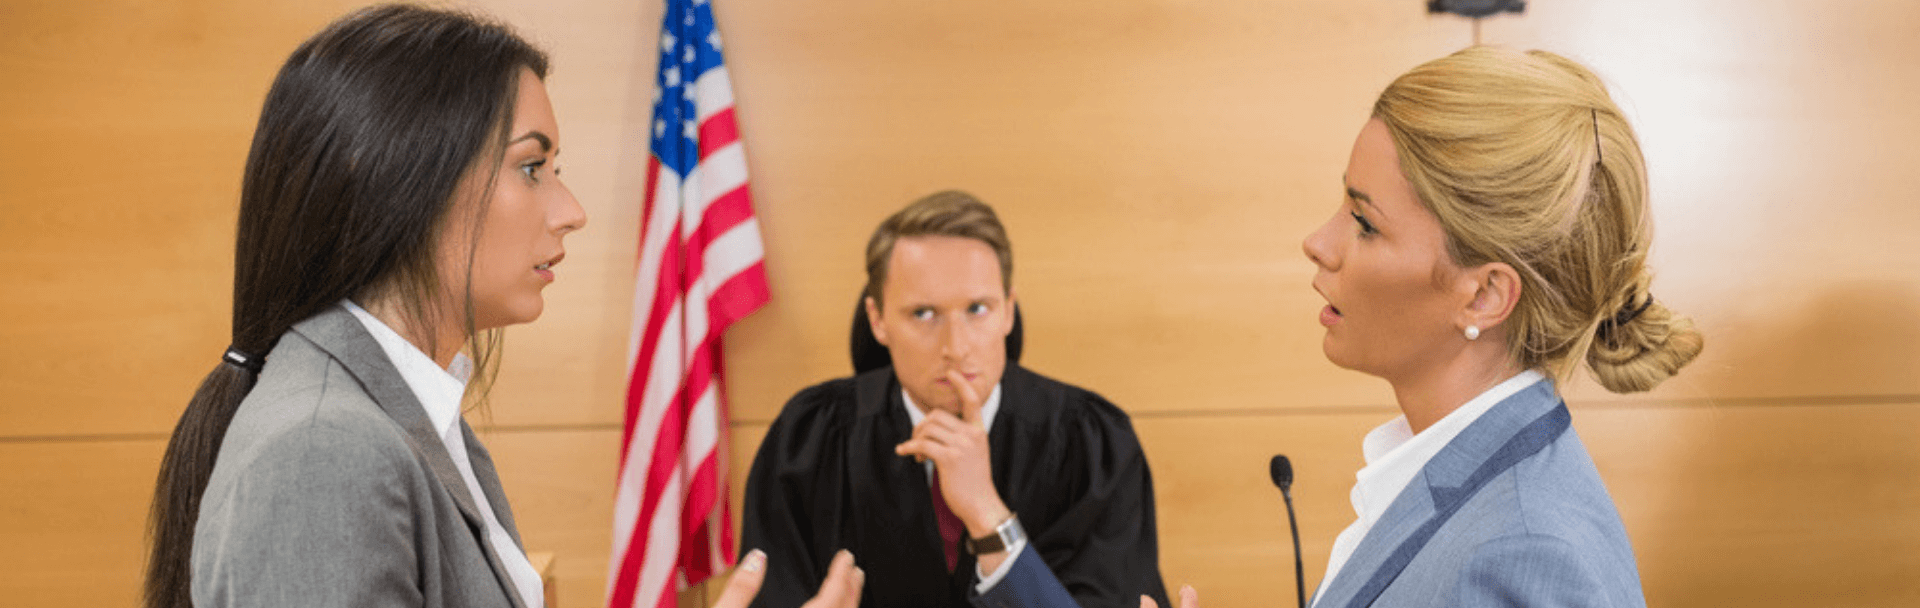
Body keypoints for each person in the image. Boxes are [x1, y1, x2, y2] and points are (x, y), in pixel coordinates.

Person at [141, 5, 860, 608]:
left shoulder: (408, 416)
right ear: (397, 178)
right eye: (529, 168)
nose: (571, 210)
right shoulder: (325, 448)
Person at [1135, 46, 1702, 608]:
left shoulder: (1522, 556)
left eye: (1363, 222)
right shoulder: (1459, 478)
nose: (1318, 244)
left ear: (1483, 296)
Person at [738, 191, 1171, 608]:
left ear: (1008, 310)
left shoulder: (1091, 443)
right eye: (923, 314)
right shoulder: (808, 440)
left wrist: (988, 516)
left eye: (977, 309)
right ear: (878, 320)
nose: (956, 346)